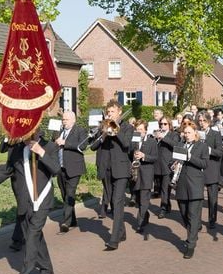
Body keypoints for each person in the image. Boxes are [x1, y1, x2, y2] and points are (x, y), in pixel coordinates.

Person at [0, 130, 60, 274]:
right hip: (24, 202)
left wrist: (41, 152)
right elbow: (7, 171)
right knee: (36, 237)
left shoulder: (50, 146)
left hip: (42, 200)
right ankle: (47, 271)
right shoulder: (16, 149)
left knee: (31, 237)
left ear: (36, 129)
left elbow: (56, 169)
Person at [90, 100, 134, 251]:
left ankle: (114, 239)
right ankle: (121, 231)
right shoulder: (103, 126)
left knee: (118, 200)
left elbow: (127, 144)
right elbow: (93, 146)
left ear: (119, 112)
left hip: (121, 169)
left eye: (112, 112)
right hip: (106, 169)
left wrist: (115, 130)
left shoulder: (127, 127)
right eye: (108, 112)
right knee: (114, 203)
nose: (109, 114)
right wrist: (103, 134)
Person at [174, 120, 210, 258]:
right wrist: (173, 165)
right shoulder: (180, 145)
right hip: (181, 184)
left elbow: (204, 163)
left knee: (193, 216)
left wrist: (190, 157)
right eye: (185, 133)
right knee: (184, 214)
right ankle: (193, 233)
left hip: (195, 184)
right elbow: (173, 161)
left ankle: (191, 244)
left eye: (189, 132)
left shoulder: (202, 146)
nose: (187, 135)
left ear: (195, 133)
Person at [54, 110, 88, 233]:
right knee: (64, 195)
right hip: (61, 168)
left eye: (66, 120)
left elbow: (83, 146)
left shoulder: (80, 130)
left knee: (70, 193)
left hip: (74, 168)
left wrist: (65, 143)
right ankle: (72, 220)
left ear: (73, 120)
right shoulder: (60, 132)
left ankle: (66, 222)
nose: (64, 122)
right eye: (63, 120)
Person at [129, 120, 158, 235]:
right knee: (139, 199)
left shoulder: (152, 142)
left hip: (146, 173)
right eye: (137, 129)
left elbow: (155, 158)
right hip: (135, 172)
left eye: (141, 129)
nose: (138, 131)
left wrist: (144, 156)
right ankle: (145, 214)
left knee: (144, 199)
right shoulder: (133, 140)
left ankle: (140, 223)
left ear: (145, 130)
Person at [199, 114, 223, 229]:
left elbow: (219, 152)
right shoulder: (196, 134)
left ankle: (212, 220)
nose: (202, 122)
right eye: (200, 120)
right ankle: (197, 221)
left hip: (212, 169)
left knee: (212, 197)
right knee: (197, 197)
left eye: (204, 120)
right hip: (198, 169)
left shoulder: (215, 134)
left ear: (208, 122)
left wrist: (208, 150)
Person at [154, 116, 179, 218]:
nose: (163, 126)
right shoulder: (156, 133)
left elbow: (176, 145)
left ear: (169, 125)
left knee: (165, 189)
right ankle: (167, 204)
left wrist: (163, 138)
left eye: (165, 124)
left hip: (167, 165)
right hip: (157, 165)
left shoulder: (173, 134)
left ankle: (163, 208)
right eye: (161, 124)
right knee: (160, 188)